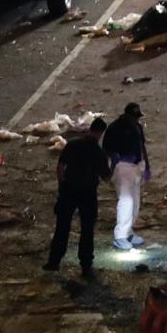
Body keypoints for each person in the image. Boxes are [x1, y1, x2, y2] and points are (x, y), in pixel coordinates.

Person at [44, 118, 112, 279]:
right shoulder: (98, 153)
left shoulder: (73, 144)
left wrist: (62, 186)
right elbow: (107, 177)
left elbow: (60, 167)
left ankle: (54, 262)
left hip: (69, 191)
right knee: (87, 230)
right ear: (101, 133)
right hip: (88, 194)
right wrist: (112, 163)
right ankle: (86, 266)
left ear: (90, 128)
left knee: (62, 227)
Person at [102, 102, 150, 250]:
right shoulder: (115, 128)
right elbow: (106, 148)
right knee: (126, 201)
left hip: (136, 166)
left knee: (135, 202)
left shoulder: (137, 126)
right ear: (127, 115)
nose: (136, 119)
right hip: (122, 167)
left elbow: (142, 147)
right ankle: (120, 236)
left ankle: (128, 231)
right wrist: (113, 161)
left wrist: (147, 166)